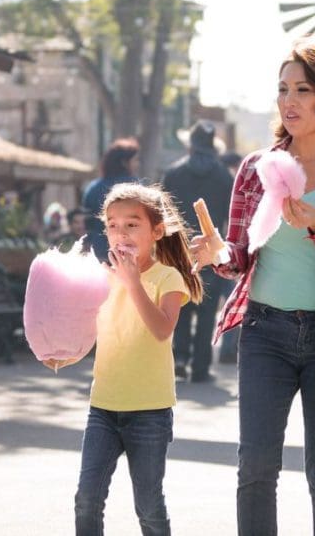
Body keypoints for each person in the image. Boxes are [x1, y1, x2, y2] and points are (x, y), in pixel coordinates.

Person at [192, 40, 315, 536]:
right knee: (255, 469)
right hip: (264, 332)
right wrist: (216, 252)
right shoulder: (257, 168)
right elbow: (239, 257)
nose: (289, 101)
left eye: (303, 89)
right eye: (283, 89)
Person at [45, 182, 203, 536]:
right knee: (86, 500)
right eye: (113, 225)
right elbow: (93, 330)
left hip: (150, 411)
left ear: (156, 231)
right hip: (103, 406)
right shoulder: (101, 278)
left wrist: (132, 282)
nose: (121, 233)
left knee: (148, 506)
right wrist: (62, 354)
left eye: (132, 224)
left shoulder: (168, 277)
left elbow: (161, 329)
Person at [162, 120, 234, 382]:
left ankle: (179, 357)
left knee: (179, 303)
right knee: (206, 310)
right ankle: (201, 367)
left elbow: (163, 214)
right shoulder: (225, 176)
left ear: (191, 144)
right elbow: (230, 218)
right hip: (211, 249)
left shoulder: (173, 173)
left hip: (178, 249)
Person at [82, 137, 140, 262]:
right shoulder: (135, 187)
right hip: (127, 255)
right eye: (135, 160)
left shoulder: (93, 188)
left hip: (98, 255)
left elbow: (86, 224)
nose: (137, 164)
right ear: (125, 162)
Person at [216, 150, 244, 365]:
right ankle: (227, 349)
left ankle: (185, 355)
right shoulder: (229, 181)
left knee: (202, 304)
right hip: (225, 250)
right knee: (232, 300)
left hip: (202, 247)